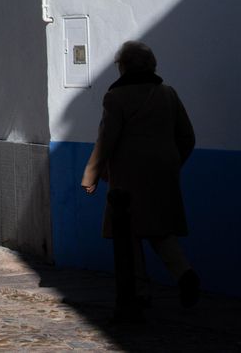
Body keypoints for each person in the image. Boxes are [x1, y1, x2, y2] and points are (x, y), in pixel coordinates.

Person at [82, 40, 199, 308]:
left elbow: (106, 139)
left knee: (129, 232)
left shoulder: (116, 97)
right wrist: (171, 163)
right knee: (161, 230)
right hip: (164, 174)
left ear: (122, 67)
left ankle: (138, 291)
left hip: (128, 176)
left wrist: (91, 176)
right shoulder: (168, 93)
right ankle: (185, 274)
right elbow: (187, 136)